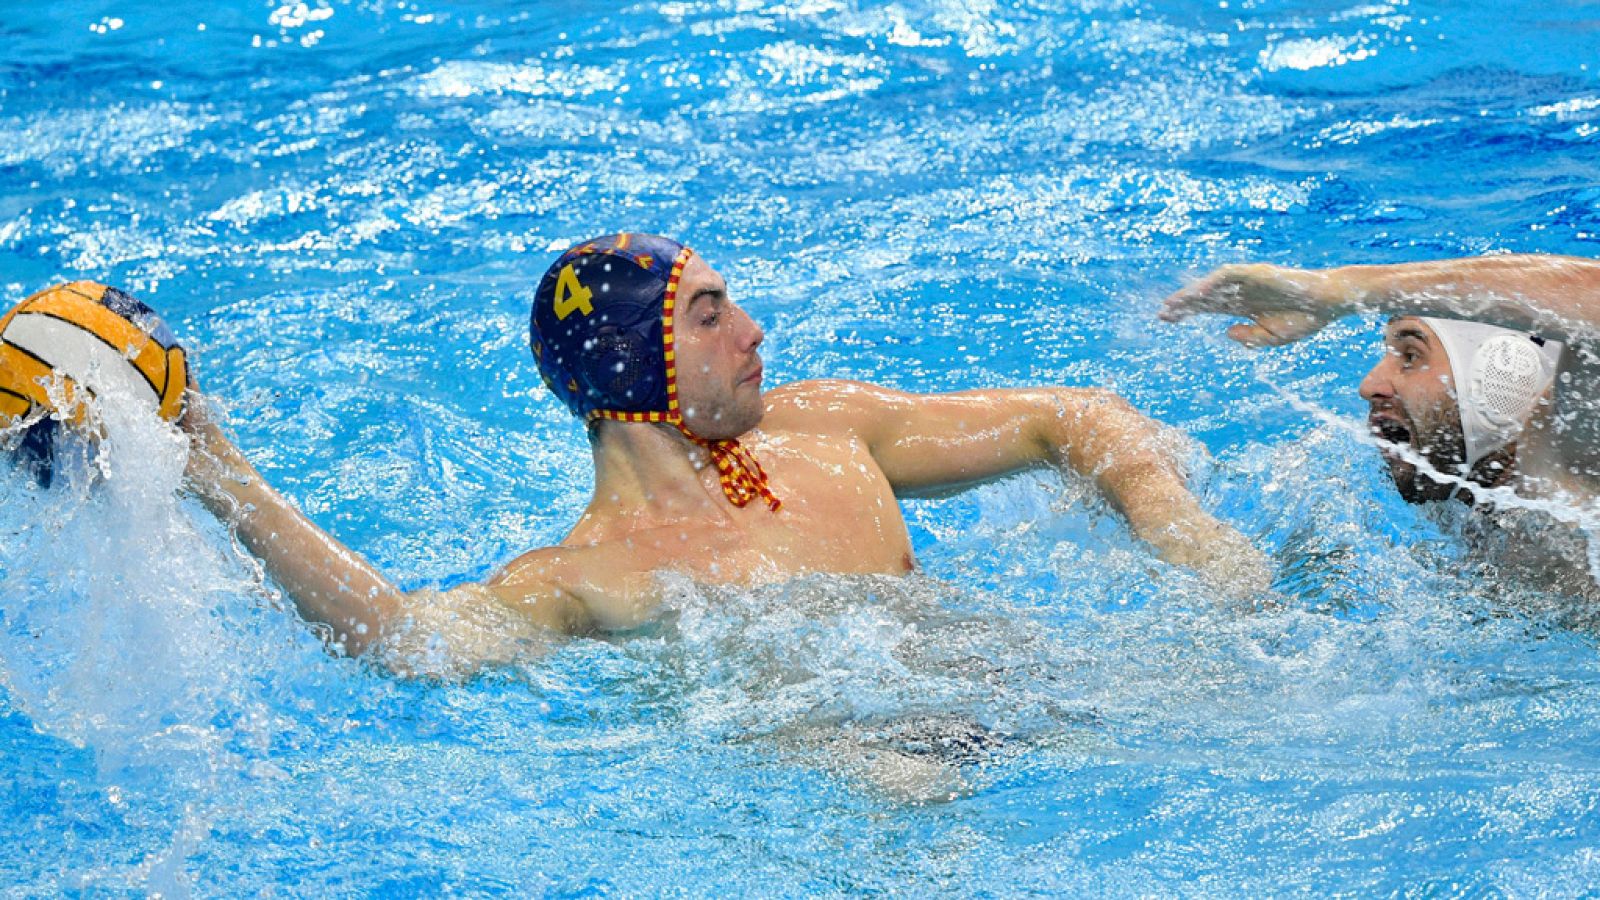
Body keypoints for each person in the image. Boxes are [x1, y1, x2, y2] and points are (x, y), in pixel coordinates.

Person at [182, 233, 1268, 673]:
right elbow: (401, 640)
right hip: (852, 808)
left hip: (1054, 693)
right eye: (708, 315)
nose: (752, 330)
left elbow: (1071, 416)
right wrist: (214, 469)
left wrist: (1176, 522)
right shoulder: (585, 582)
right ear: (635, 368)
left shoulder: (825, 429)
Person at [1160, 253, 1599, 594]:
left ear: (1502, 379)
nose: (1370, 385)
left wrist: (1338, 290)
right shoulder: (1468, 500)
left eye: (1410, 356)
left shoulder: (1568, 456)